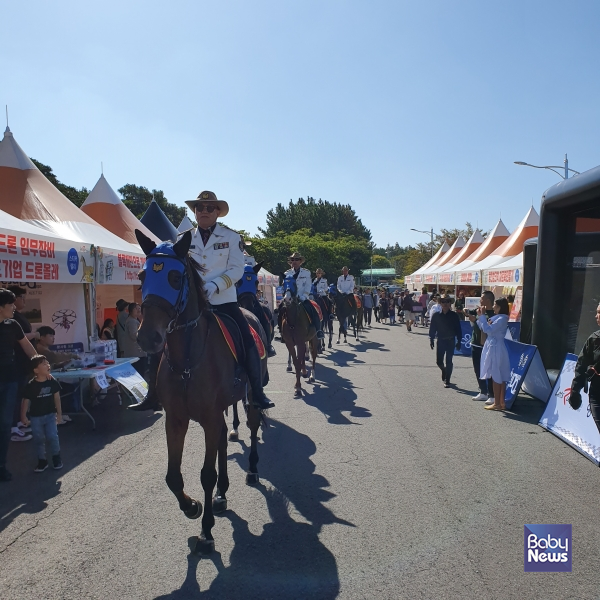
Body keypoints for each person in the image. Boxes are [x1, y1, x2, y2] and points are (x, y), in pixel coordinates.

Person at [133, 190, 274, 412]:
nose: (204, 211)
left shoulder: (231, 237)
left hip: (223, 302)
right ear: (195, 212)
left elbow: (237, 270)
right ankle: (153, 394)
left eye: (209, 208)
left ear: (217, 212)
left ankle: (257, 391)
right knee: (161, 340)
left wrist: (214, 285)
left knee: (247, 338)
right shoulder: (182, 238)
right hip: (190, 305)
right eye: (200, 208)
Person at [0, 288, 38, 482]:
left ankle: (1, 466)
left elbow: (26, 345)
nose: (14, 307)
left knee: (5, 424)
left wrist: (38, 361)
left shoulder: (12, 324)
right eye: (10, 304)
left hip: (9, 379)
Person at [20, 355, 63, 472]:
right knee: (39, 439)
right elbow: (26, 400)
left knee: (52, 436)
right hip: (35, 417)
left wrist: (59, 414)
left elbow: (57, 398)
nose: (47, 365)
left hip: (50, 415)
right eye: (43, 364)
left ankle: (56, 457)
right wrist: (23, 415)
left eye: (47, 363)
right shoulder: (31, 385)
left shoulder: (52, 381)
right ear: (36, 370)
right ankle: (42, 460)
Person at [569, 303, 600, 433]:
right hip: (597, 394)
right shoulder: (594, 339)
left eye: (599, 313)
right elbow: (581, 366)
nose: (596, 316)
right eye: (597, 312)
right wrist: (575, 391)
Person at [477, 297, 511, 411]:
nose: (493, 307)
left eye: (495, 305)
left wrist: (482, 316)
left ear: (500, 307)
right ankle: (501, 402)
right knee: (499, 374)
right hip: (494, 346)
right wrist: (481, 317)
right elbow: (483, 326)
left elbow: (488, 330)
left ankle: (497, 402)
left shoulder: (501, 319)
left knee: (497, 374)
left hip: (496, 348)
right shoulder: (498, 318)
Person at [283, 253, 325, 340]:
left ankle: (318, 330)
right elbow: (284, 286)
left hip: (302, 297)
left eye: (296, 259)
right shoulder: (287, 273)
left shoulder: (306, 272)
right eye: (293, 259)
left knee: (313, 310)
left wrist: (304, 296)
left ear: (300, 261)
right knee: (281, 311)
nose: (294, 261)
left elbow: (308, 285)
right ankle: (282, 332)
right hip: (291, 298)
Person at [468, 291, 495, 404]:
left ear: (488, 300)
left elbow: (487, 328)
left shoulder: (493, 314)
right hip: (475, 343)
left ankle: (492, 394)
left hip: (487, 345)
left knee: (488, 369)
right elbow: (468, 312)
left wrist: (477, 320)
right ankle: (483, 392)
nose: (480, 300)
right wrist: (468, 313)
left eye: (482, 298)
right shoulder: (479, 310)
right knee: (477, 368)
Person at [429, 296, 462, 387]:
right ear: (440, 303)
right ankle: (444, 370)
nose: (445, 304)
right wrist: (431, 339)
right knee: (439, 361)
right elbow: (432, 328)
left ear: (450, 303)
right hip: (440, 340)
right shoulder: (436, 315)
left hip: (450, 340)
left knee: (449, 360)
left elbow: (458, 329)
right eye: (443, 302)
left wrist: (459, 341)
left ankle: (447, 380)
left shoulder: (454, 315)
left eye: (447, 302)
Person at [121, 303, 148, 376]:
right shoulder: (132, 321)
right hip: (136, 353)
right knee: (139, 373)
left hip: (135, 353)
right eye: (136, 308)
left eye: (139, 308)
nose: (139, 310)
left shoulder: (133, 320)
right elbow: (134, 335)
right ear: (131, 310)